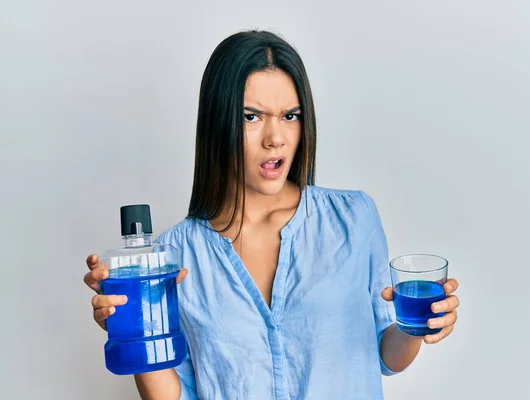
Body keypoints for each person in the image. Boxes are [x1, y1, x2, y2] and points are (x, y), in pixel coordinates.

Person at [83, 29, 460, 400]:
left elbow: (384, 355)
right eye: (251, 117)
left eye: (290, 115)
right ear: (218, 123)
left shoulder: (353, 218)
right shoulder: (172, 256)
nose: (275, 137)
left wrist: (416, 327)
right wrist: (131, 330)